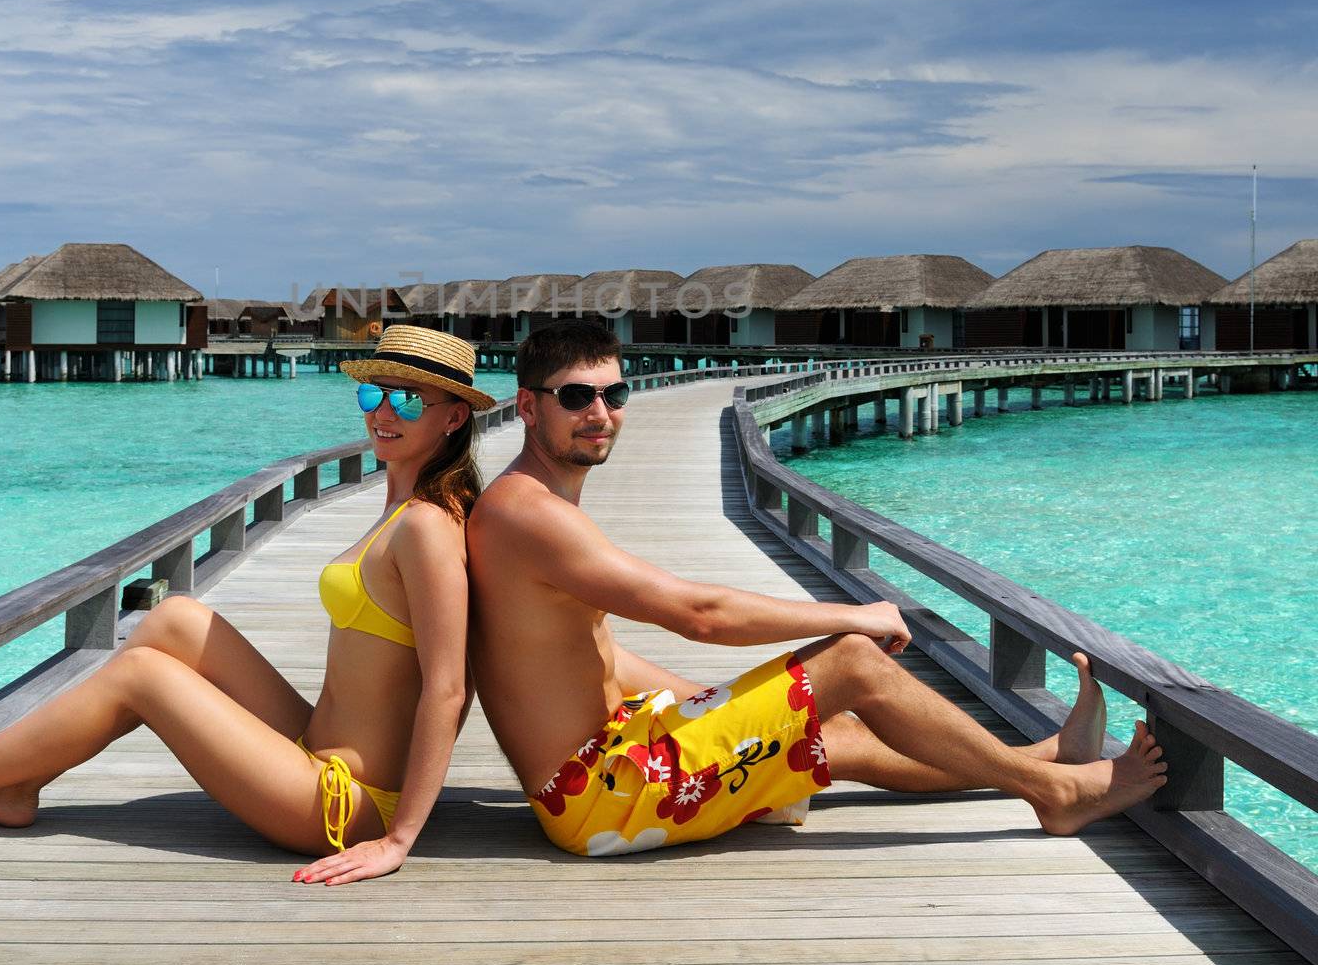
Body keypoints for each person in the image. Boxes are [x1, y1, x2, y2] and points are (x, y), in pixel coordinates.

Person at [466, 320, 1166, 859]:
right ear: (528, 407)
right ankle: (1056, 794)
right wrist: (854, 614)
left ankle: (1041, 759)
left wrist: (720, 708)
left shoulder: (530, 507)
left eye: (614, 394)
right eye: (577, 397)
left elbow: (596, 657)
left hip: (618, 762)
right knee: (856, 660)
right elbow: (698, 614)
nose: (601, 412)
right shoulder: (529, 514)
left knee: (843, 736)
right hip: (602, 801)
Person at [0, 325, 493, 886]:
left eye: (409, 402)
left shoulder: (428, 526)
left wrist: (400, 837)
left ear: (454, 415)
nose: (382, 414)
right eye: (373, 394)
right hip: (319, 747)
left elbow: (448, 688)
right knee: (173, 618)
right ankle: (13, 783)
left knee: (144, 676)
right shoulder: (400, 506)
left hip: (343, 806)